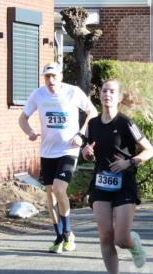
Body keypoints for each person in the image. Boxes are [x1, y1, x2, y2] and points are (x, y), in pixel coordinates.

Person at [82, 79, 153, 274]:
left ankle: (134, 245)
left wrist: (129, 162)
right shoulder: (93, 124)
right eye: (104, 90)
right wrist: (87, 153)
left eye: (112, 91)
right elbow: (89, 149)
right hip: (101, 183)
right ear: (100, 95)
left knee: (120, 238)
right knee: (105, 235)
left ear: (119, 96)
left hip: (124, 184)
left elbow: (149, 150)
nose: (107, 94)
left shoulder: (125, 122)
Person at [20, 63, 97, 252]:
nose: (50, 80)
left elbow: (92, 112)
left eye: (54, 76)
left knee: (59, 187)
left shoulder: (73, 92)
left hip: (68, 150)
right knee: (50, 193)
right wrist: (29, 132)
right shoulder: (38, 94)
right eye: (47, 77)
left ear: (61, 76)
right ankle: (58, 236)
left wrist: (81, 135)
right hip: (47, 151)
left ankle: (68, 233)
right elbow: (22, 119)